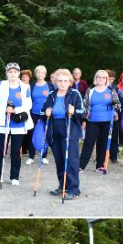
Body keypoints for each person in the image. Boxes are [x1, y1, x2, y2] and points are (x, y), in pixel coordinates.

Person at [43, 69, 85, 200]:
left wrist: (74, 111)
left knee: (71, 159)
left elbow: (82, 111)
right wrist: (46, 111)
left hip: (70, 128)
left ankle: (74, 189)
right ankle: (63, 186)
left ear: (70, 82)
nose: (62, 83)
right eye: (60, 80)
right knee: (59, 159)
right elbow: (42, 109)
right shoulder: (51, 94)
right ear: (55, 81)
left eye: (65, 81)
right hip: (55, 128)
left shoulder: (75, 94)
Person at [80, 70, 120, 175]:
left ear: (107, 79)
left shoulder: (111, 91)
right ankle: (81, 166)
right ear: (96, 78)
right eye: (99, 77)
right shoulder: (90, 90)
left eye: (103, 77)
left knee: (102, 144)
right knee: (88, 143)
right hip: (93, 121)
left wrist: (115, 105)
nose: (101, 79)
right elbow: (85, 106)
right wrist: (84, 120)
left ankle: (100, 166)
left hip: (107, 121)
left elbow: (118, 106)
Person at [27, 65, 53, 166]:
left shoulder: (50, 85)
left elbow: (53, 99)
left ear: (45, 74)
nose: (40, 74)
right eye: (38, 72)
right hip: (34, 113)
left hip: (46, 114)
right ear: (35, 74)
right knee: (32, 134)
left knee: (45, 134)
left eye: (42, 73)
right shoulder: (32, 86)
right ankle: (31, 156)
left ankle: (44, 156)